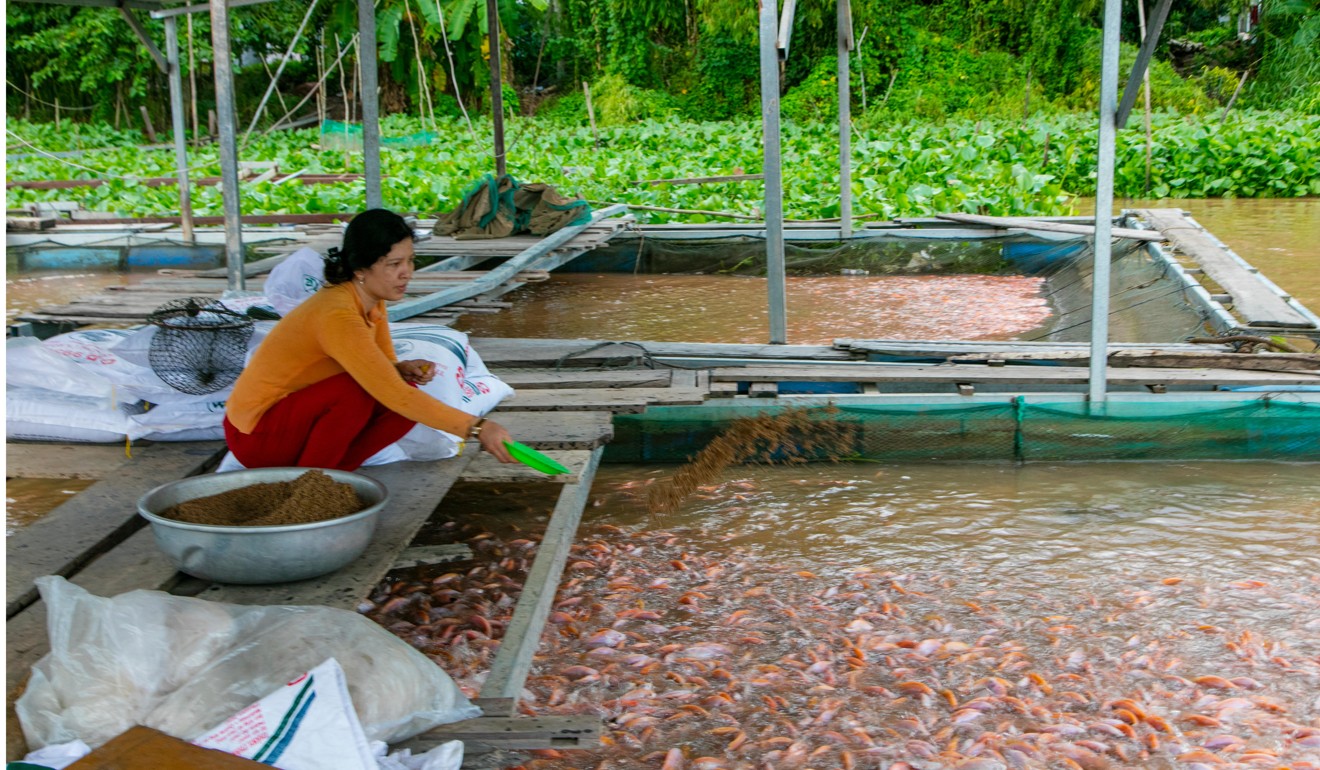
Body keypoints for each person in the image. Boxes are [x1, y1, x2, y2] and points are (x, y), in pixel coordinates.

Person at [224, 208, 515, 470]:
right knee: (359, 391)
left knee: (402, 387)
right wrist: (477, 428)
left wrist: (399, 368)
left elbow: (386, 365)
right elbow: (392, 393)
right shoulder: (337, 314)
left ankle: (331, 475)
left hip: (287, 424)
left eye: (410, 261)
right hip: (255, 436)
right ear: (361, 268)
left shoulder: (372, 301)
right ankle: (313, 480)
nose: (407, 273)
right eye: (393, 264)